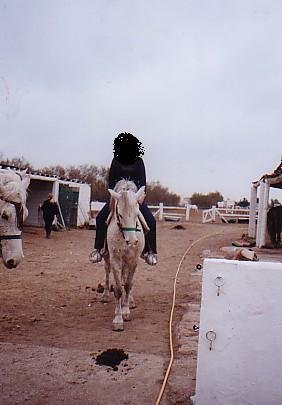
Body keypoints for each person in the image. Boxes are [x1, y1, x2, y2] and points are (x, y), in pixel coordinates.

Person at [90, 132, 157, 265]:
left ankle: (150, 251)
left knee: (151, 220)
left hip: (134, 197)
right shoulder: (116, 161)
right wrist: (114, 196)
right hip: (118, 197)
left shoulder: (139, 161)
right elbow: (111, 182)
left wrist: (141, 195)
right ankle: (98, 249)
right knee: (100, 218)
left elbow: (143, 183)